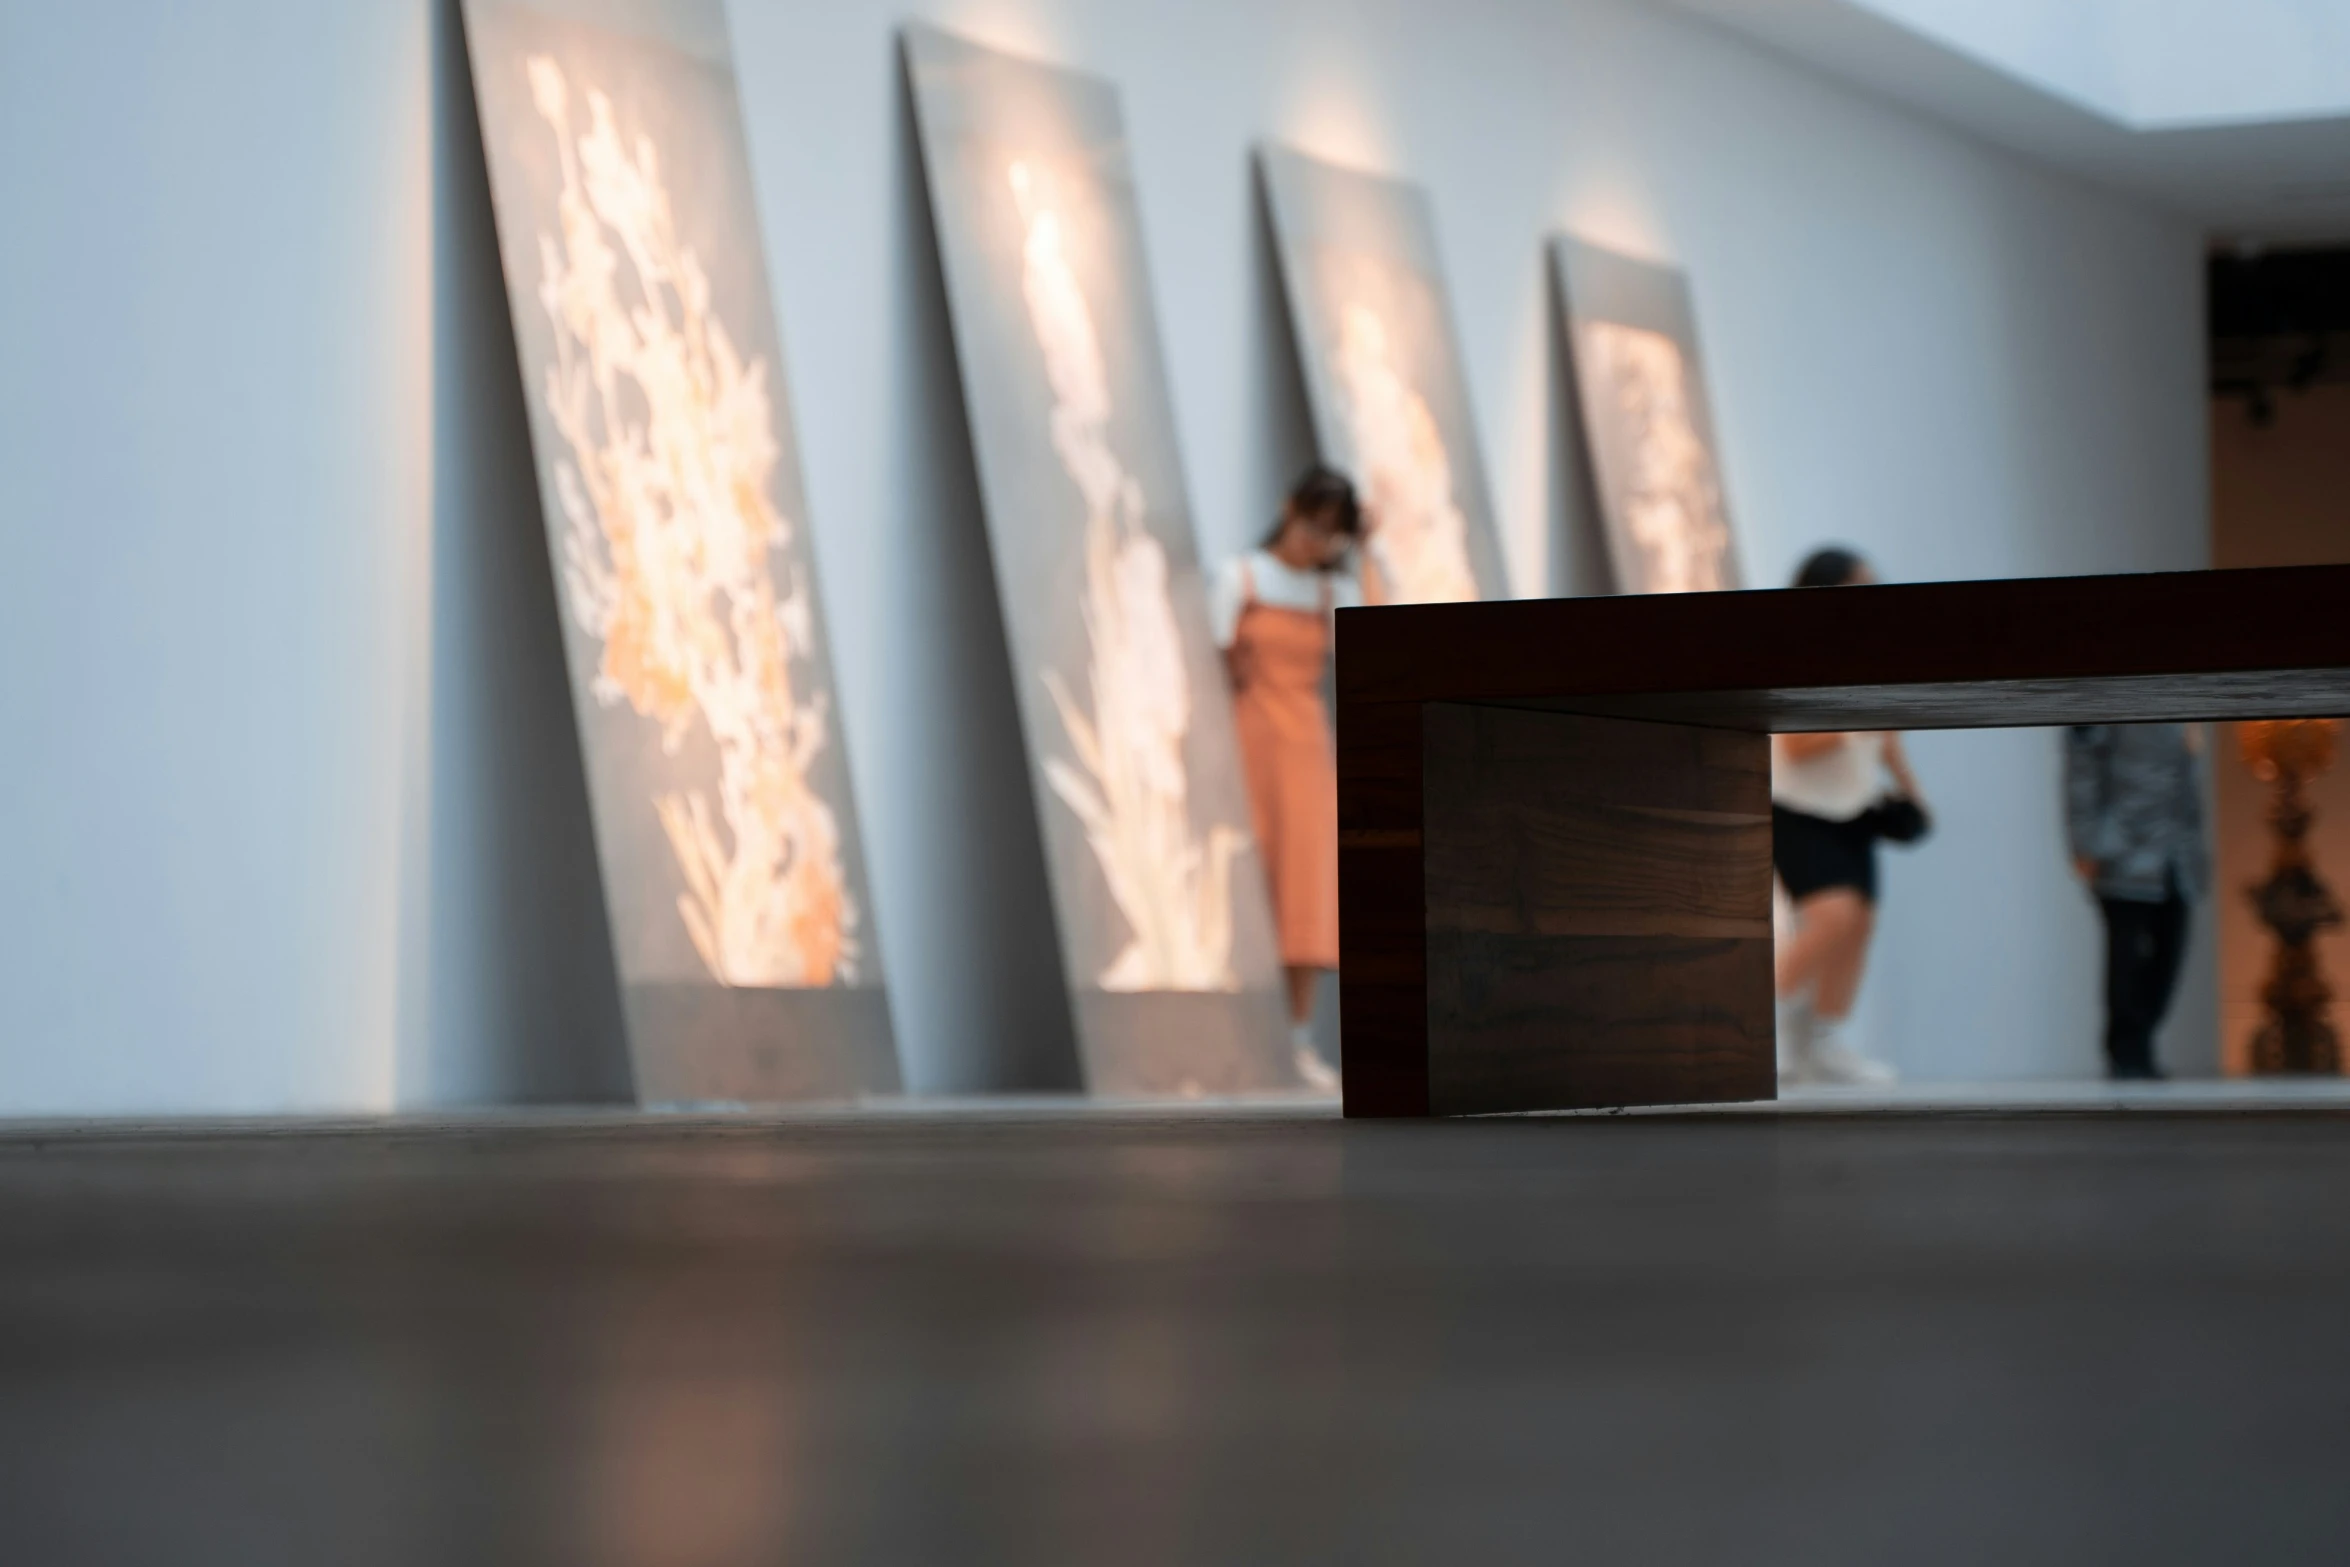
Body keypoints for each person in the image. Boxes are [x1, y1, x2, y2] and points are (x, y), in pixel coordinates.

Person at [1211, 465, 1364, 1093]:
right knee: (1245, 882)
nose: (1315, 542)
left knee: (1305, 889)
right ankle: (1233, 1038)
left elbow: (1372, 637)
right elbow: (1216, 661)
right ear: (1287, 508)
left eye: (1331, 533)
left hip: (1305, 748)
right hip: (1247, 739)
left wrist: (1368, 549)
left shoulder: (1334, 591)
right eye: (1311, 524)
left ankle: (1295, 1037)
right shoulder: (1240, 577)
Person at [1772, 546, 1924, 1085]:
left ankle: (1823, 1042)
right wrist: (1851, 719)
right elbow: (1793, 746)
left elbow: (1886, 738)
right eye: (1859, 584)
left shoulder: (1873, 655)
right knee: (1832, 917)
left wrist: (1912, 792)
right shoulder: (1799, 654)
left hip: (1855, 810)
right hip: (1800, 810)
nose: (1872, 593)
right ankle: (1772, 1030)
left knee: (1859, 924)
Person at [2064, 724, 2208, 1080]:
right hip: (2124, 850)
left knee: (2169, 954)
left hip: (2176, 854)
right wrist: (2084, 840)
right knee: (2126, 956)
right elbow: (2081, 764)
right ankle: (2128, 1054)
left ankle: (2139, 1045)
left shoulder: (2183, 700)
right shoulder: (2104, 694)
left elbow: (2186, 785)